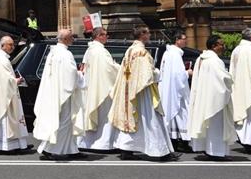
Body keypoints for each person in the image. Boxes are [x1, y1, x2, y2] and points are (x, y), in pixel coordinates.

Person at [109, 26, 175, 160]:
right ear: (142, 35)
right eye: (148, 33)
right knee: (150, 119)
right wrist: (157, 73)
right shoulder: (141, 52)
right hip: (142, 92)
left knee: (132, 119)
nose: (150, 35)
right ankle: (159, 151)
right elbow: (147, 75)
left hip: (130, 90)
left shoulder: (130, 50)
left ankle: (126, 149)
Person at [33, 28, 85, 160]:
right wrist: (80, 74)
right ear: (66, 39)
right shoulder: (65, 55)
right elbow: (70, 75)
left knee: (65, 122)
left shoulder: (54, 52)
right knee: (64, 122)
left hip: (54, 92)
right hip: (63, 95)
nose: (73, 39)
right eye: (71, 37)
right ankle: (50, 149)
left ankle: (72, 149)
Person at [188, 35, 236, 160]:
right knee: (216, 126)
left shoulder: (201, 58)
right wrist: (232, 79)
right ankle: (216, 152)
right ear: (214, 46)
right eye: (221, 44)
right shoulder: (215, 61)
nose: (223, 46)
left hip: (204, 98)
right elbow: (223, 79)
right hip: (215, 100)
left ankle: (208, 149)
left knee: (208, 125)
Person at [0, 35, 30, 153]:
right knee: (6, 120)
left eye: (13, 45)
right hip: (3, 97)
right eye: (10, 45)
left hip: (5, 94)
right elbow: (5, 80)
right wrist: (16, 81)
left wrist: (13, 81)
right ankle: (4, 146)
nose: (12, 47)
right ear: (2, 45)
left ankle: (13, 145)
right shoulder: (1, 60)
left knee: (12, 120)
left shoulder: (2, 58)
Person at [77, 27, 120, 152]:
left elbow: (83, 67)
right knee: (105, 117)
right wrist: (119, 67)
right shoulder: (101, 51)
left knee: (94, 115)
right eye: (105, 35)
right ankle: (103, 143)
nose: (107, 37)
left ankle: (87, 143)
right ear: (98, 36)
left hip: (91, 88)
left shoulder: (90, 50)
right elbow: (109, 69)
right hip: (103, 89)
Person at [159, 32, 191, 150]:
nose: (186, 41)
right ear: (177, 40)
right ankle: (183, 142)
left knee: (174, 115)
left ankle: (174, 140)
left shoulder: (168, 53)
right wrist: (188, 73)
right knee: (182, 114)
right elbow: (179, 76)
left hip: (169, 89)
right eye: (184, 38)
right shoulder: (175, 55)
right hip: (177, 91)